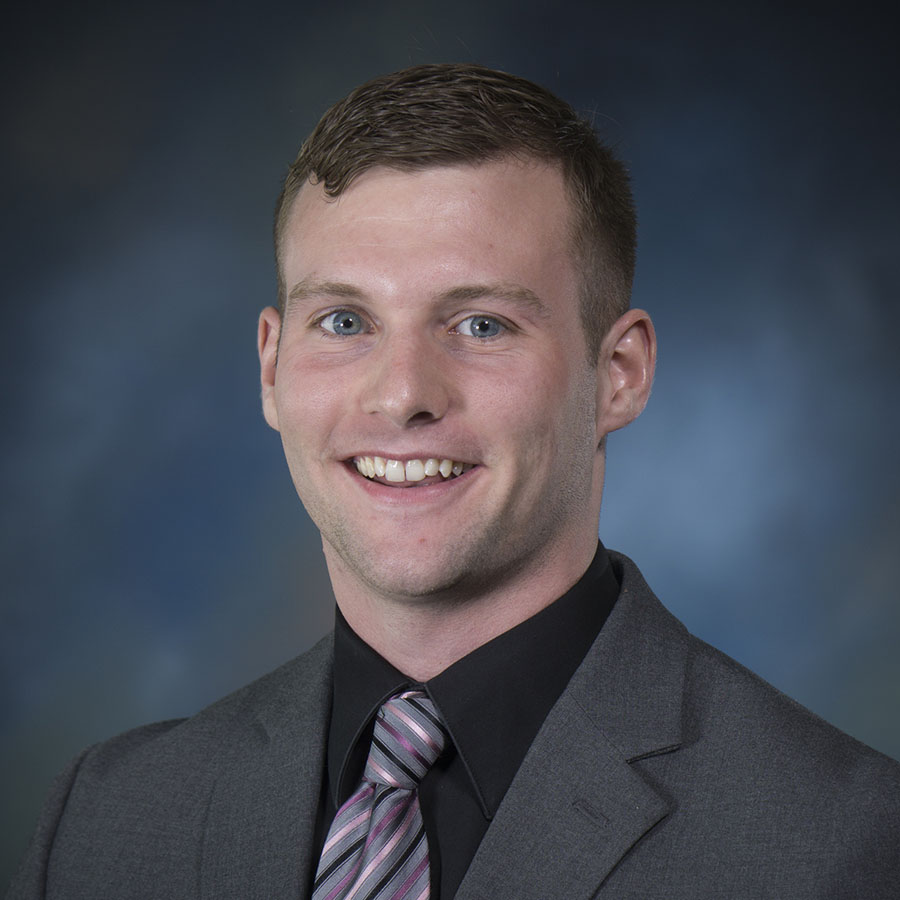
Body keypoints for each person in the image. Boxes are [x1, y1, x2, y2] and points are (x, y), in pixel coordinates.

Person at [8, 63, 899, 900]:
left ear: (619, 374)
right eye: (345, 320)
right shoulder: (111, 817)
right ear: (272, 368)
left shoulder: (843, 845)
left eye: (480, 325)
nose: (402, 396)